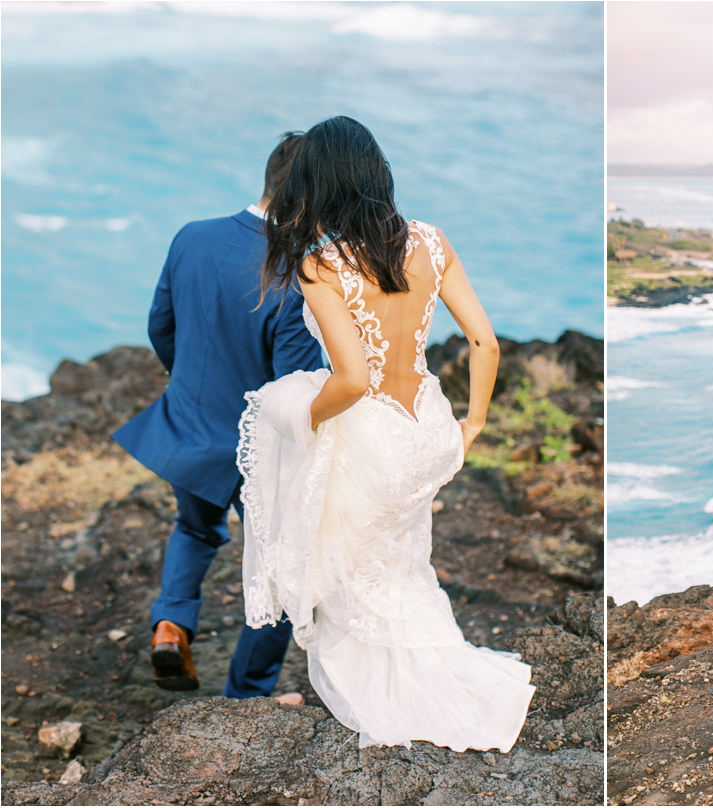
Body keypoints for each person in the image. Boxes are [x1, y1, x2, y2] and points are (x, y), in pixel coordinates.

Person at [235, 115, 535, 752]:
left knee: (355, 577)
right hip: (425, 428)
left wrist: (299, 421)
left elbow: (347, 380)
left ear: (317, 181)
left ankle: (395, 701)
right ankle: (434, 674)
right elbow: (485, 341)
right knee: (400, 564)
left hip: (367, 438)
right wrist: (471, 424)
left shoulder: (321, 264)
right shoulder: (432, 241)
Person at [112, 133, 323, 703]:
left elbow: (161, 325)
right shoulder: (294, 279)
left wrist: (189, 388)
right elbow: (293, 397)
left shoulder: (192, 236)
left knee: (194, 528)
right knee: (278, 572)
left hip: (189, 426)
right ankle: (246, 697)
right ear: (310, 199)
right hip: (254, 452)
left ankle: (170, 625)